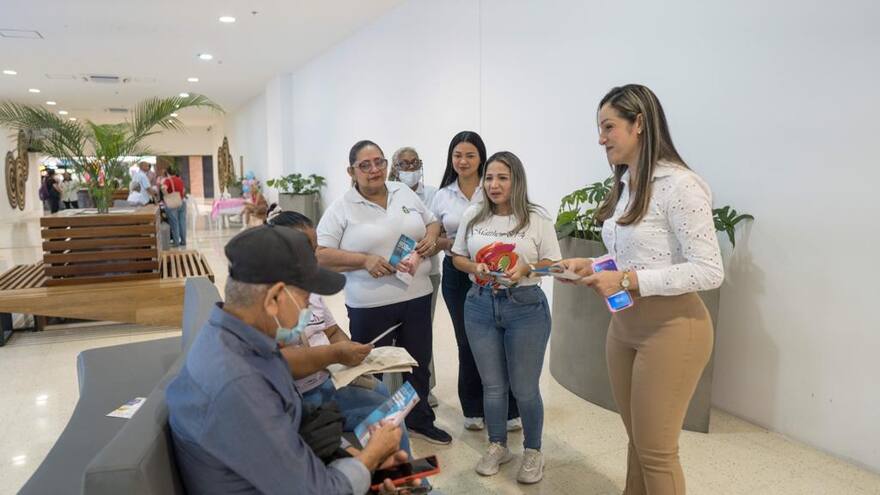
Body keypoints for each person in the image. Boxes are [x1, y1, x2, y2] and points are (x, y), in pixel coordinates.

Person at [166, 225, 419, 495]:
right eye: (306, 299)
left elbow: (293, 437)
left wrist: (362, 464)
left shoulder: (240, 340)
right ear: (274, 298)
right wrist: (371, 456)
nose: (309, 311)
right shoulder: (238, 383)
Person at [561, 84, 723, 495]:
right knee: (639, 445)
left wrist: (629, 281)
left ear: (639, 124)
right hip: (625, 327)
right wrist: (592, 266)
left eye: (608, 126)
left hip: (672, 330)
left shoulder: (681, 185)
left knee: (657, 454)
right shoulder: (628, 182)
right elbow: (637, 257)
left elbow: (708, 271)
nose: (601, 138)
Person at [316, 140, 451, 445]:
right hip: (369, 305)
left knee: (417, 364)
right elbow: (320, 253)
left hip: (417, 296)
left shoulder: (403, 192)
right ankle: (372, 429)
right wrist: (364, 260)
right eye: (365, 165)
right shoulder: (342, 208)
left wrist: (430, 239)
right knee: (370, 369)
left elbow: (431, 221)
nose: (374, 169)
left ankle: (418, 419)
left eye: (379, 162)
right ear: (351, 171)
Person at [265, 206, 412, 454]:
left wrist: (351, 353)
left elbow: (332, 332)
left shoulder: (311, 287)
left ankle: (403, 479)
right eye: (305, 249)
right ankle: (400, 480)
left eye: (315, 248)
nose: (314, 256)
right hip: (303, 396)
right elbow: (282, 363)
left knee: (387, 397)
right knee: (386, 411)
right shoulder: (267, 303)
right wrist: (336, 355)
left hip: (330, 378)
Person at [451, 151, 560, 484]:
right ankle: (498, 445)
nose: (494, 185)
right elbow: (457, 258)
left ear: (517, 181)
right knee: (493, 386)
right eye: (489, 178)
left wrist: (527, 268)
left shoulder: (537, 219)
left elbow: (554, 265)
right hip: (480, 304)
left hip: (525, 306)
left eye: (502, 177)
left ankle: (533, 451)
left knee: (525, 388)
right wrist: (474, 267)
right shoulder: (473, 215)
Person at [430, 131, 521, 433]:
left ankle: (509, 409)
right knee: (467, 342)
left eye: (470, 155)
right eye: (458, 155)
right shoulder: (442, 195)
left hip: (494, 271)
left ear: (481, 156)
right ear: (451, 159)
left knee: (500, 340)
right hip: (458, 274)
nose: (463, 161)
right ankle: (473, 407)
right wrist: (448, 244)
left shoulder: (493, 187)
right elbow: (435, 234)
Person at [388, 146, 440, 406]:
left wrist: (429, 240)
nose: (410, 168)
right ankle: (395, 392)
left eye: (414, 163)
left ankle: (424, 390)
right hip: (394, 270)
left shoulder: (432, 195)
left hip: (427, 273)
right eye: (403, 164)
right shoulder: (388, 193)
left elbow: (439, 230)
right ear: (394, 167)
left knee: (422, 335)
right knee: (395, 335)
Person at [161, 167, 187, 247]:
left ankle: (176, 242)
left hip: (172, 204)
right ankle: (183, 241)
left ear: (167, 173)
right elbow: (183, 191)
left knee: (174, 223)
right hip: (181, 202)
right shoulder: (180, 180)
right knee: (182, 222)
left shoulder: (167, 180)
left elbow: (163, 188)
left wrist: (166, 195)